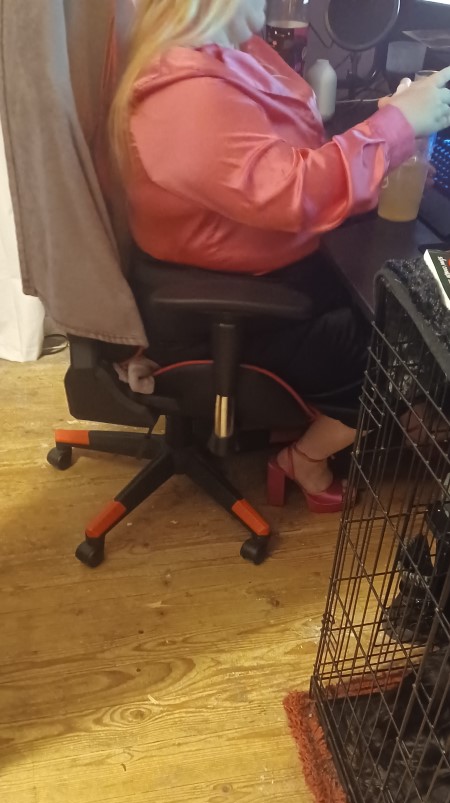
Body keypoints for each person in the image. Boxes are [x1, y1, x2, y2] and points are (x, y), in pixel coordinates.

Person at [110, 0, 450, 512]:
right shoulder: (183, 96)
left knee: (401, 299)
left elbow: (284, 156)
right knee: (409, 346)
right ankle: (303, 459)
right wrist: (396, 126)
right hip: (228, 301)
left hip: (258, 265)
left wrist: (388, 141)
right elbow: (293, 190)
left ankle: (407, 417)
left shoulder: (229, 52)